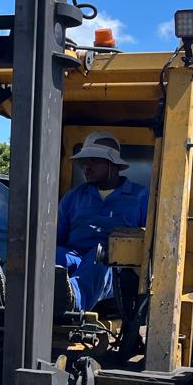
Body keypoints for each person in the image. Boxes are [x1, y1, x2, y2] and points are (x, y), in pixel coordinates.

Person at [56, 132, 149, 312]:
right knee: (52, 256)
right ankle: (13, 295)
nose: (87, 167)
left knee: (98, 256)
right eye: (85, 162)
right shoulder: (73, 197)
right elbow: (58, 237)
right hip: (76, 257)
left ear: (113, 165)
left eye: (94, 161)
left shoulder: (140, 197)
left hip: (116, 268)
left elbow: (151, 242)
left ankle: (72, 303)